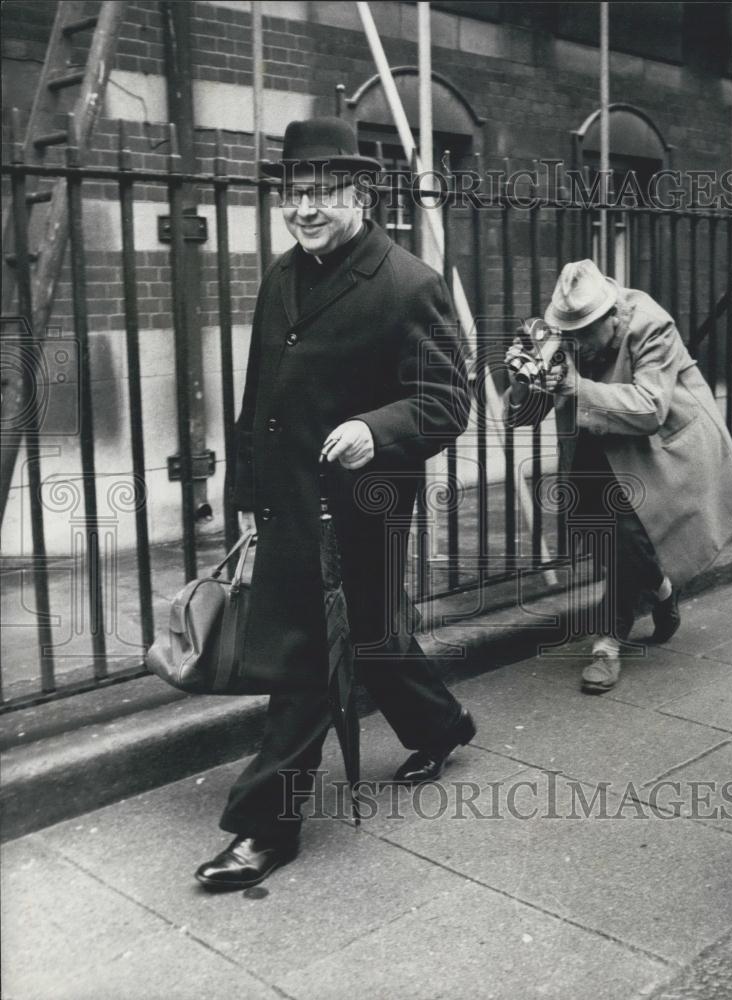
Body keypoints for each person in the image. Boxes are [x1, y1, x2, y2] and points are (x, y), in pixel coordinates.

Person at [195, 118, 475, 891]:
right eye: (294, 192)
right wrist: (244, 492)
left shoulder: (408, 283)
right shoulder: (283, 275)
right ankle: (442, 723)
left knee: (308, 660)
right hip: (287, 502)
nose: (306, 207)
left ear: (361, 193)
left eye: (323, 192)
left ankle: (265, 827)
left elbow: (447, 402)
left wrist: (373, 429)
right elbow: (260, 398)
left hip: (364, 503)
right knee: (374, 629)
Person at [505, 259, 732, 694]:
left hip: (652, 449)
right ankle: (661, 589)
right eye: (570, 332)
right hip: (593, 442)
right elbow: (522, 414)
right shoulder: (560, 337)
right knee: (593, 529)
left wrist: (576, 387)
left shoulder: (651, 324)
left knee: (624, 532)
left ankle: (608, 642)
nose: (577, 343)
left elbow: (650, 409)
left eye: (586, 332)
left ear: (612, 316)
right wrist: (524, 381)